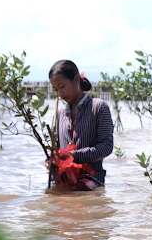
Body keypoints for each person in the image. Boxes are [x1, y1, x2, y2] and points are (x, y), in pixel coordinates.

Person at [48, 60, 114, 191]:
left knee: (81, 193)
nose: (59, 93)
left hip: (91, 180)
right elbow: (54, 149)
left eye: (62, 86)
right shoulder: (58, 114)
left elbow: (107, 146)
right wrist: (50, 162)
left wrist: (74, 155)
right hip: (63, 179)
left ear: (76, 79)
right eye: (55, 89)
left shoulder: (98, 107)